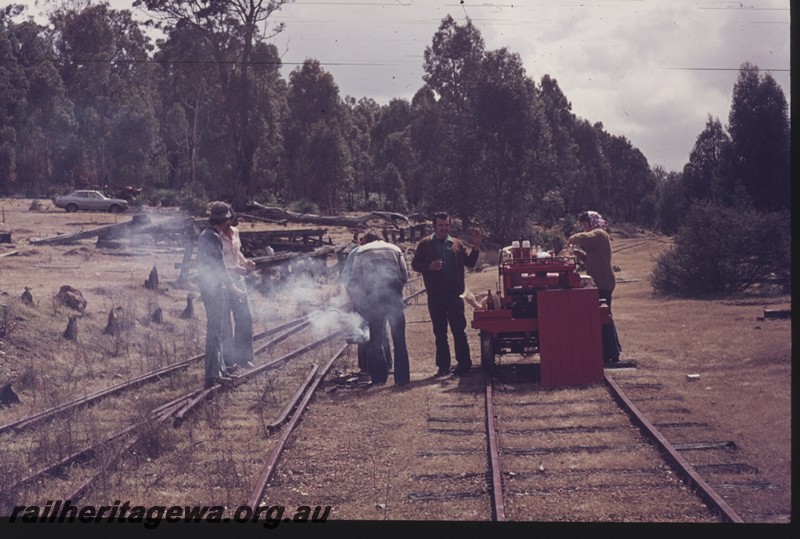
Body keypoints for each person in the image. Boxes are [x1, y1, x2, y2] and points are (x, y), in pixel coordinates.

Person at [411, 212, 481, 376]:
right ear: (434, 226)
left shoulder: (456, 244)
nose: (444, 228)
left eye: (446, 225)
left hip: (455, 295)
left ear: (449, 226)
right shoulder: (425, 244)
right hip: (435, 295)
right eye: (441, 225)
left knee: (459, 330)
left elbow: (469, 263)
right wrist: (429, 266)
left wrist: (476, 246)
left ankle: (464, 365)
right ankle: (443, 366)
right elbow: (415, 264)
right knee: (440, 332)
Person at [345, 229, 410, 386]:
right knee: (399, 339)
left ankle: (379, 379)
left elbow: (355, 279)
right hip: (394, 298)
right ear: (381, 238)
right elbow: (405, 276)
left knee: (376, 339)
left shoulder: (361, 251)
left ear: (366, 239)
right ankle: (402, 379)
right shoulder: (395, 249)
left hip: (373, 300)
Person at [196, 201, 248, 388]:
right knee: (215, 332)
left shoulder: (210, 235)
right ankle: (211, 375)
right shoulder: (210, 237)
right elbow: (219, 268)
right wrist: (235, 289)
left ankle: (219, 371)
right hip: (213, 289)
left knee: (220, 330)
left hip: (214, 287)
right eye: (229, 219)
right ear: (225, 220)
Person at [567, 210, 622, 363]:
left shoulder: (599, 234)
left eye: (585, 224)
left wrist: (572, 238)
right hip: (601, 281)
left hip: (603, 282)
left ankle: (613, 353)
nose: (584, 227)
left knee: (604, 317)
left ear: (591, 222)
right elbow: (593, 258)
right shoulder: (598, 237)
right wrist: (580, 254)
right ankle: (611, 351)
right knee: (604, 316)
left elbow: (583, 237)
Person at [340, 232, 391, 373]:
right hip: (363, 297)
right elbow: (346, 277)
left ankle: (381, 365)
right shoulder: (356, 253)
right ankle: (370, 366)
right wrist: (353, 295)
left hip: (377, 297)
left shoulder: (383, 252)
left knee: (375, 331)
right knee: (366, 331)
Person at [221, 212, 256, 370]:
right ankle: (228, 360)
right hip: (221, 281)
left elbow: (236, 252)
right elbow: (216, 261)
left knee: (245, 316)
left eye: (230, 219)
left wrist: (245, 262)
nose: (229, 222)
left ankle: (243, 357)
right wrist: (234, 268)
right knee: (225, 321)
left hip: (238, 279)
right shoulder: (215, 235)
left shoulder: (235, 232)